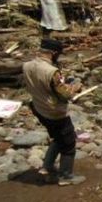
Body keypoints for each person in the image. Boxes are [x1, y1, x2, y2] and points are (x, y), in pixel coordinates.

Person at [23, 38, 85, 185]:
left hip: (38, 107)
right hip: (54, 112)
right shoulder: (51, 72)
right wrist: (76, 87)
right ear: (53, 53)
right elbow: (66, 95)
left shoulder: (27, 65)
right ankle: (65, 176)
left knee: (58, 138)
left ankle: (47, 166)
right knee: (68, 144)